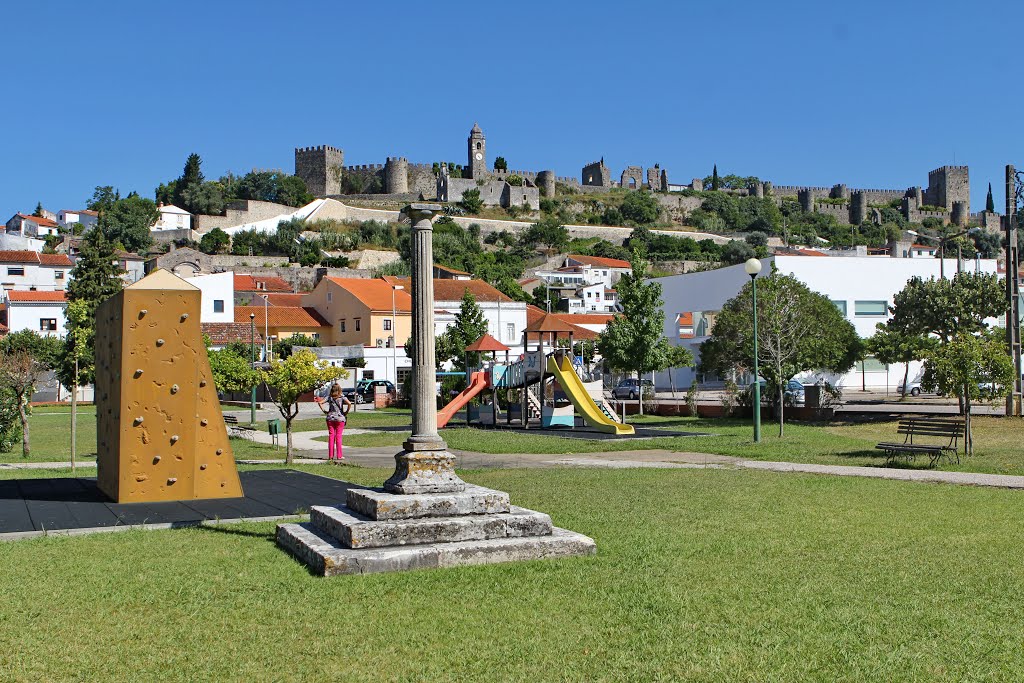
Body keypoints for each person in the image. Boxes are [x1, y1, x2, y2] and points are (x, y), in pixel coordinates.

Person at [314, 384, 351, 462]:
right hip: (340, 418)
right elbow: (349, 403)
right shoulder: (341, 397)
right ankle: (339, 455)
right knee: (338, 436)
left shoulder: (329, 397)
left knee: (331, 436)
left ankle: (330, 455)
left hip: (330, 418)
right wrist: (346, 412)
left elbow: (320, 402)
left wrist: (325, 411)